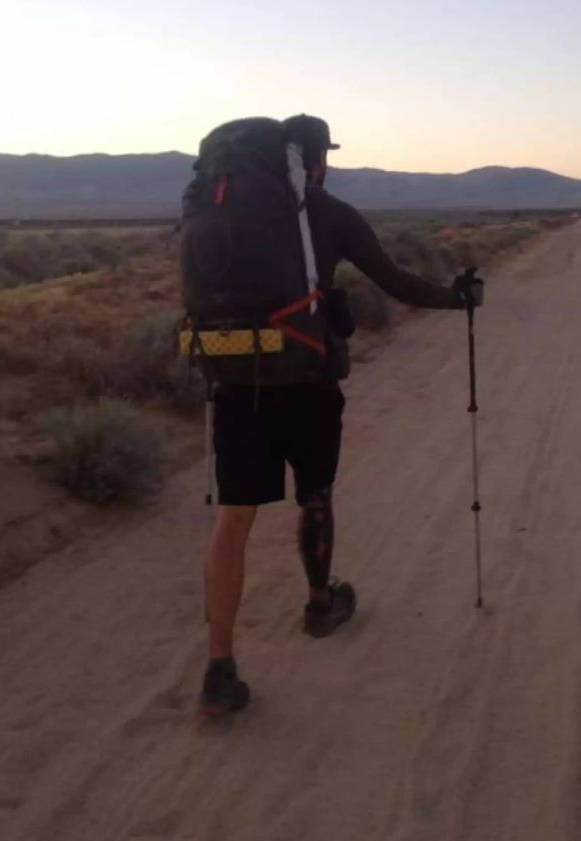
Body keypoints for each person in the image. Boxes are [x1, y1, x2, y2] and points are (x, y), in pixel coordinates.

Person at [199, 115, 483, 716]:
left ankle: (219, 667)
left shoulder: (222, 208)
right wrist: (456, 297)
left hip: (234, 377)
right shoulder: (330, 214)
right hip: (307, 378)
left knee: (234, 518)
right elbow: (394, 279)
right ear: (314, 161)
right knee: (316, 494)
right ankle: (320, 602)